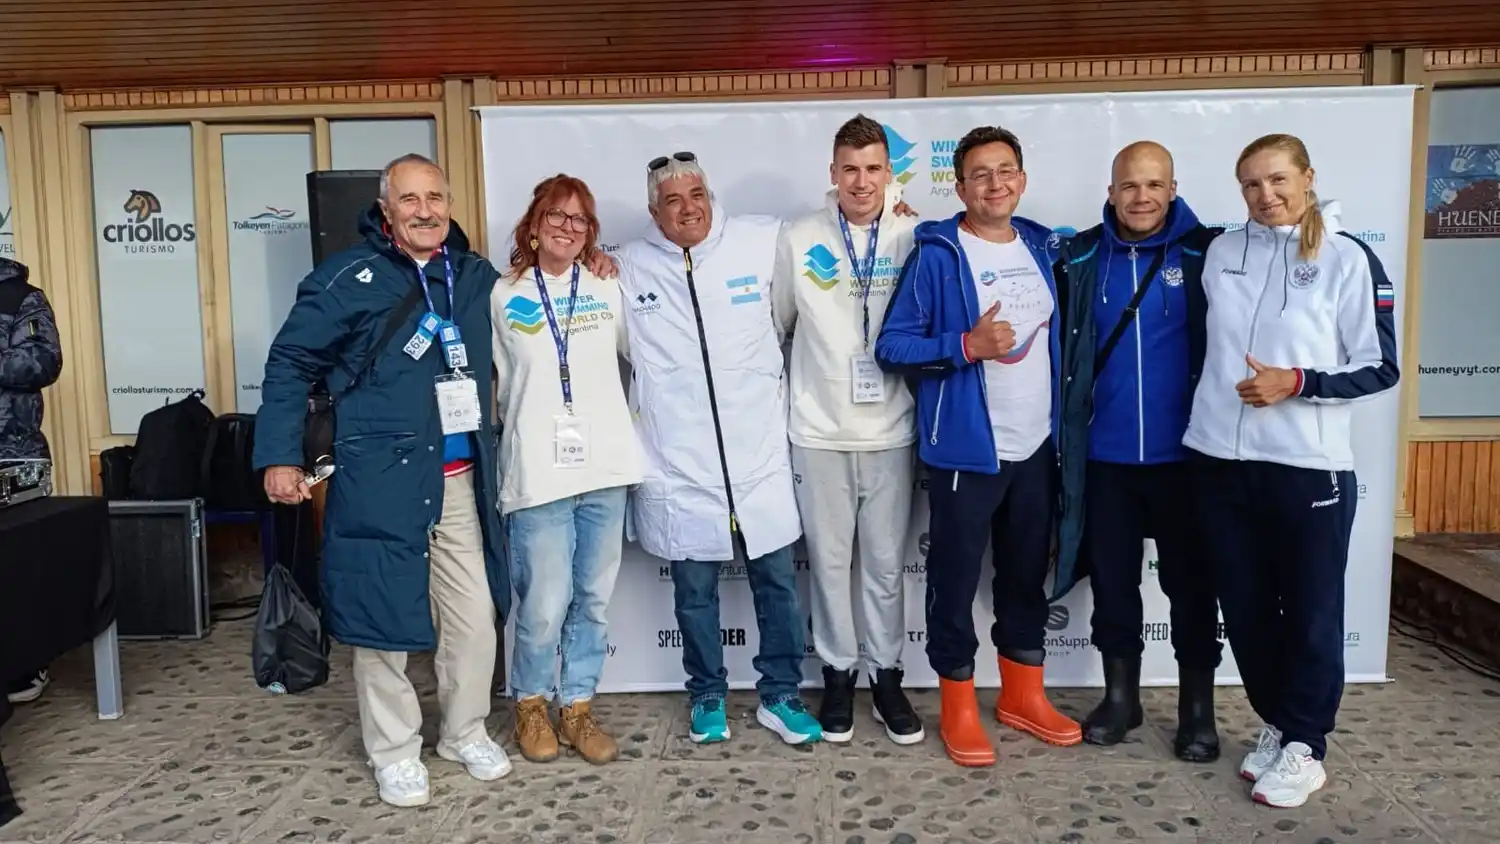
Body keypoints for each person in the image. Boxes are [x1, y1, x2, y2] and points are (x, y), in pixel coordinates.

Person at [253, 153, 512, 808]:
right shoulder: (346, 278)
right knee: (380, 620)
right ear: (385, 209)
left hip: (459, 478)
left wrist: (595, 264)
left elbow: (541, 294)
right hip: (378, 479)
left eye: (435, 197)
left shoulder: (475, 276)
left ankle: (464, 732)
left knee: (475, 619)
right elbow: (290, 364)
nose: (425, 211)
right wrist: (279, 456)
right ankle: (394, 752)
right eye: (410, 199)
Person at [1183, 133, 1399, 808]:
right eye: (1251, 184)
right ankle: (1280, 721)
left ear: (1307, 177)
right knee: (1245, 610)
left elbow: (1380, 366)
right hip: (1219, 461)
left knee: (1310, 612)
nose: (1265, 195)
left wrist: (1297, 382)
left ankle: (1307, 743)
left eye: (1278, 179)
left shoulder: (1346, 256)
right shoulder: (1222, 252)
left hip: (1307, 467)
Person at [875, 125, 1080, 767]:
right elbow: (893, 346)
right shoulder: (938, 254)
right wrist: (966, 346)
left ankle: (1023, 695)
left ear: (1022, 179)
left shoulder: (1045, 248)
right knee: (955, 580)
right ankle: (959, 706)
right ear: (960, 187)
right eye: (980, 174)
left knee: (1025, 576)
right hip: (967, 451)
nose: (995, 184)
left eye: (1005, 171)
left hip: (1037, 449)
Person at [613, 151, 824, 746]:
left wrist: (896, 210)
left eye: (696, 194)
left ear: (711, 195)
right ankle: (706, 694)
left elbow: (817, 267)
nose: (688, 209)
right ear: (654, 211)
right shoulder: (626, 266)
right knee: (694, 594)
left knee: (777, 584)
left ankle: (780, 694)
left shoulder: (761, 241)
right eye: (672, 200)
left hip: (757, 457)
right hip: (680, 465)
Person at [1054, 141, 1224, 761]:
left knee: (1192, 589)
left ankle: (1197, 710)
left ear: (1173, 189)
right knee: (1114, 586)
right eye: (1130, 185)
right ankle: (1121, 699)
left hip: (1188, 461)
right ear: (1111, 192)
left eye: (1154, 185)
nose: (1142, 197)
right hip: (1106, 462)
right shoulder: (1080, 257)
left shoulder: (1210, 252)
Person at [770, 114, 923, 745]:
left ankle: (886, 675)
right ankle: (837, 674)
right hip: (818, 431)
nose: (862, 182)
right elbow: (779, 321)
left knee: (885, 566)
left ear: (890, 174)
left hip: (892, 429)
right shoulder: (800, 236)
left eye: (873, 169)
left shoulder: (915, 234)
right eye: (850, 169)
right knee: (830, 565)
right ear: (832, 173)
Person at [490, 174, 643, 766]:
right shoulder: (502, 294)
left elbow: (644, 353)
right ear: (534, 225)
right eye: (556, 215)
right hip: (537, 472)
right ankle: (530, 703)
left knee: (593, 600)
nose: (567, 227)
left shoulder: (607, 286)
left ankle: (577, 706)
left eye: (579, 219)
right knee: (544, 602)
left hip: (604, 468)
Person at [1, 255, 63, 706]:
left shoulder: (20, 297)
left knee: (18, 568)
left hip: (12, 457)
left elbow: (43, 362)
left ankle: (25, 664)